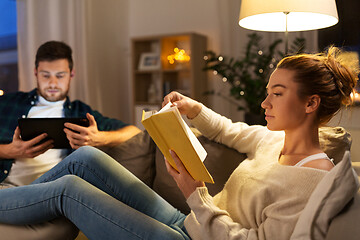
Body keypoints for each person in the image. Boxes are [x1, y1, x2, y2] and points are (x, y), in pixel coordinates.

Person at [0, 46, 357, 239]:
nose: (265, 103)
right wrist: (191, 107)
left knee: (68, 191)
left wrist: (194, 193)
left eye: (277, 94)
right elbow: (225, 130)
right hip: (188, 222)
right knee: (86, 159)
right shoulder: (271, 138)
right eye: (267, 93)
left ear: (310, 103)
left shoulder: (313, 180)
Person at [0, 41, 141, 187]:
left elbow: (134, 132)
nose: (53, 83)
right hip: (6, 188)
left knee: (83, 162)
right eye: (46, 75)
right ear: (36, 73)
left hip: (52, 190)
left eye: (60, 76)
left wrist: (99, 138)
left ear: (71, 74)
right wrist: (9, 151)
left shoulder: (80, 112)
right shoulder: (7, 103)